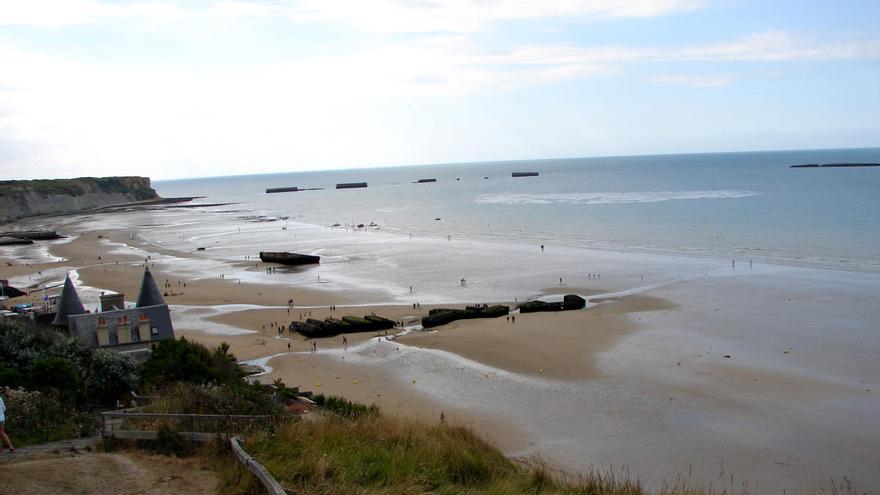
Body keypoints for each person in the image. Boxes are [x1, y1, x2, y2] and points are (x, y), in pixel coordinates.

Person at [0, 386, 15, 453]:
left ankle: (4, 448)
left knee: (1, 433)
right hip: (2, 418)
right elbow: (4, 409)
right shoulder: (0, 398)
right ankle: (10, 447)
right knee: (2, 433)